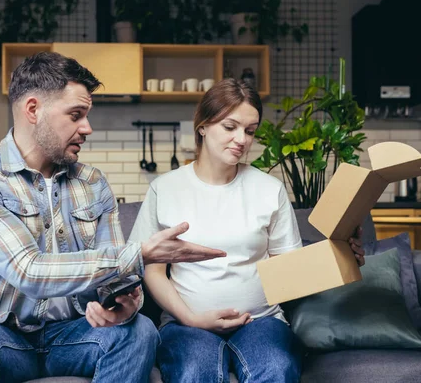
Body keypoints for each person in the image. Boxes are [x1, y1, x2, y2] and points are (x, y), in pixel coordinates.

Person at [0, 52, 226, 383]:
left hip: (74, 334)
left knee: (139, 331)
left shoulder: (93, 183)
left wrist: (123, 303)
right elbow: (29, 270)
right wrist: (138, 255)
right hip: (1, 336)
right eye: (76, 115)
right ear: (33, 110)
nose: (87, 128)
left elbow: (118, 281)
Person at [128, 78, 365, 383]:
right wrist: (192, 318)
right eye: (230, 127)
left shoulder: (270, 190)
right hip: (186, 324)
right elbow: (153, 271)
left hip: (261, 321)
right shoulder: (165, 188)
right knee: (193, 372)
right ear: (202, 126)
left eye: (250, 131)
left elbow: (288, 271)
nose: (241, 139)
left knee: (276, 369)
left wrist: (338, 257)